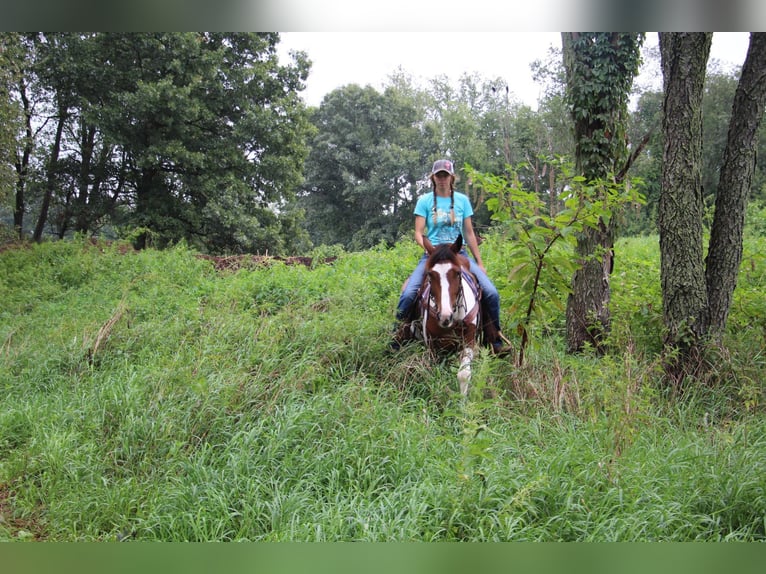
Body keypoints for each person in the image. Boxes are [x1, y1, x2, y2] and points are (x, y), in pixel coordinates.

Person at [391, 159, 512, 355]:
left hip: (458, 254)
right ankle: (398, 335)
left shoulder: (463, 201)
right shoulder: (424, 201)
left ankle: (495, 339)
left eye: (445, 175)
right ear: (433, 178)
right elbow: (418, 232)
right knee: (408, 293)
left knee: (491, 292)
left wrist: (479, 263)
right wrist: (431, 251)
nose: (442, 179)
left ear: (451, 177)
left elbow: (470, 233)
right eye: (438, 175)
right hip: (433, 255)